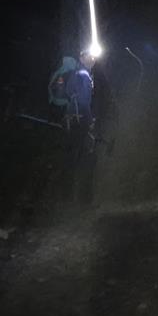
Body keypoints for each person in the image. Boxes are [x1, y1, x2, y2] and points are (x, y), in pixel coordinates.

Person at [63, 50, 97, 204]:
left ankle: (69, 196)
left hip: (73, 119)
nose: (93, 59)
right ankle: (83, 199)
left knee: (73, 157)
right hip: (80, 120)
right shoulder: (83, 75)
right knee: (87, 157)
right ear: (82, 58)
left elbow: (69, 92)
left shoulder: (77, 73)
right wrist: (89, 120)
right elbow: (83, 101)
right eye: (89, 56)